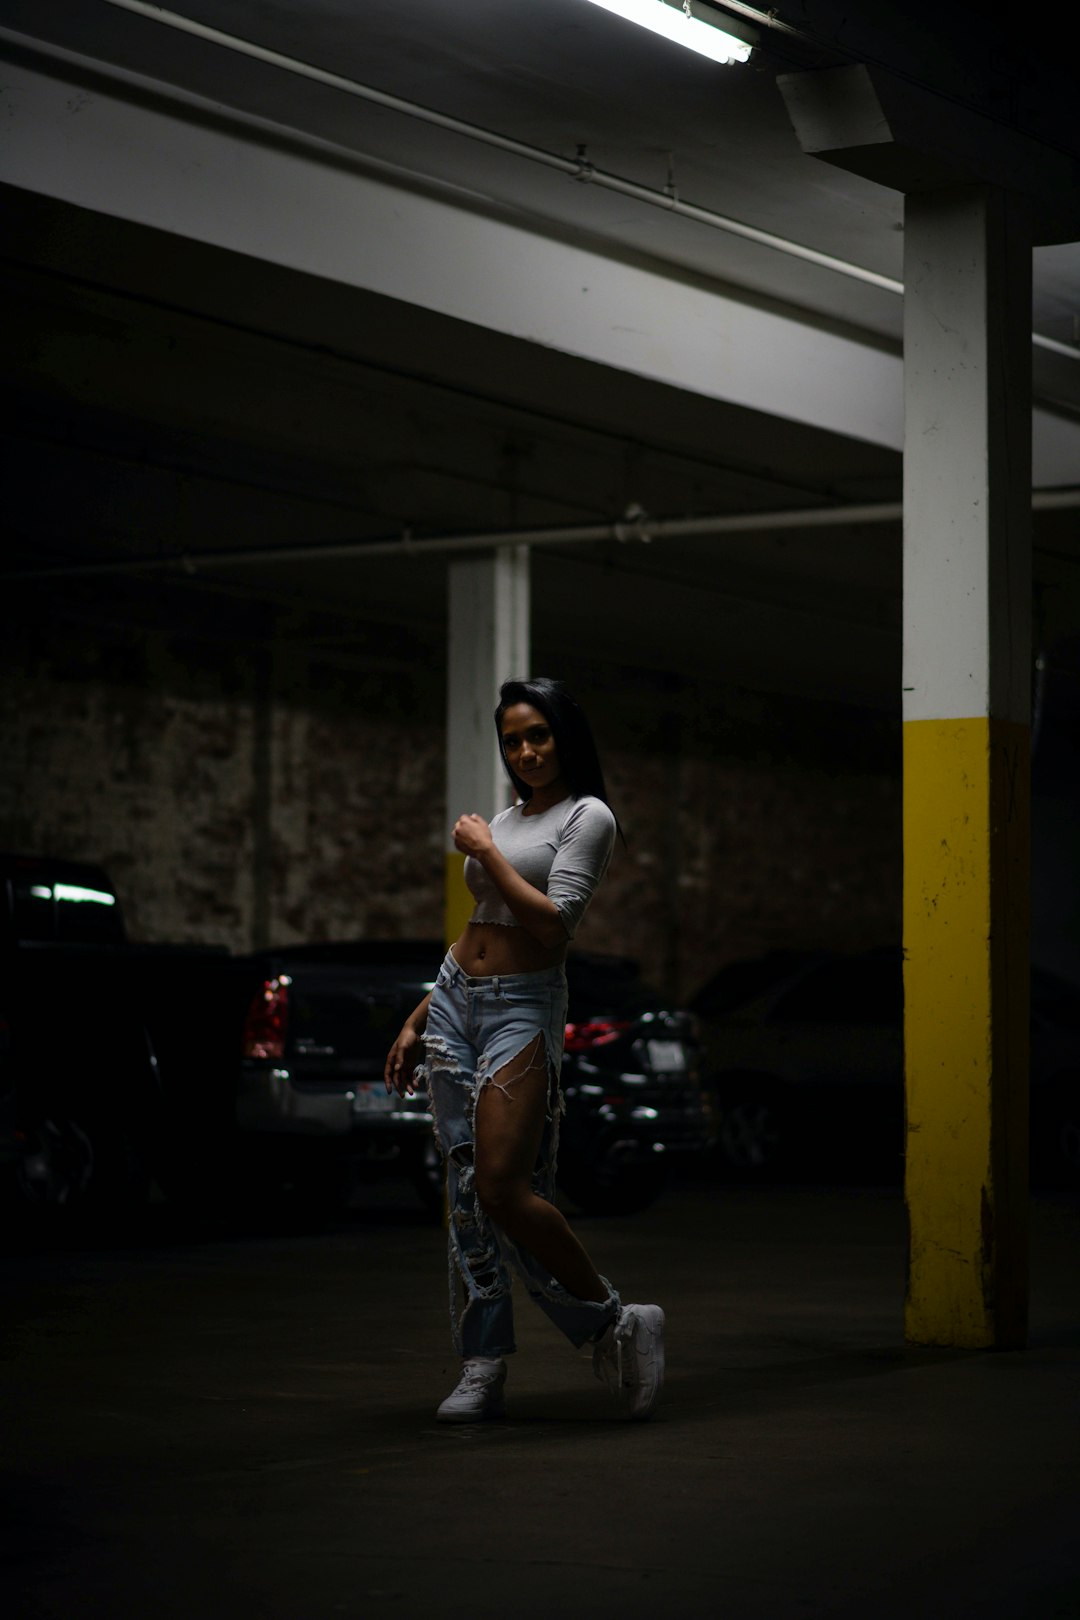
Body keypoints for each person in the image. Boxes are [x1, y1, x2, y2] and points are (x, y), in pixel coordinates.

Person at [384, 676, 665, 1423]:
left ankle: (613, 1320)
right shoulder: (511, 817)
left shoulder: (588, 816)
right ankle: (482, 1362)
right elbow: (478, 925)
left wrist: (481, 847)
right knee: (467, 1195)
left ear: (564, 736)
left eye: (538, 734)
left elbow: (552, 925)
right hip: (454, 1000)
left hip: (520, 1009)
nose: (526, 750)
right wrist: (419, 1017)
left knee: (506, 1187)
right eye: (513, 739)